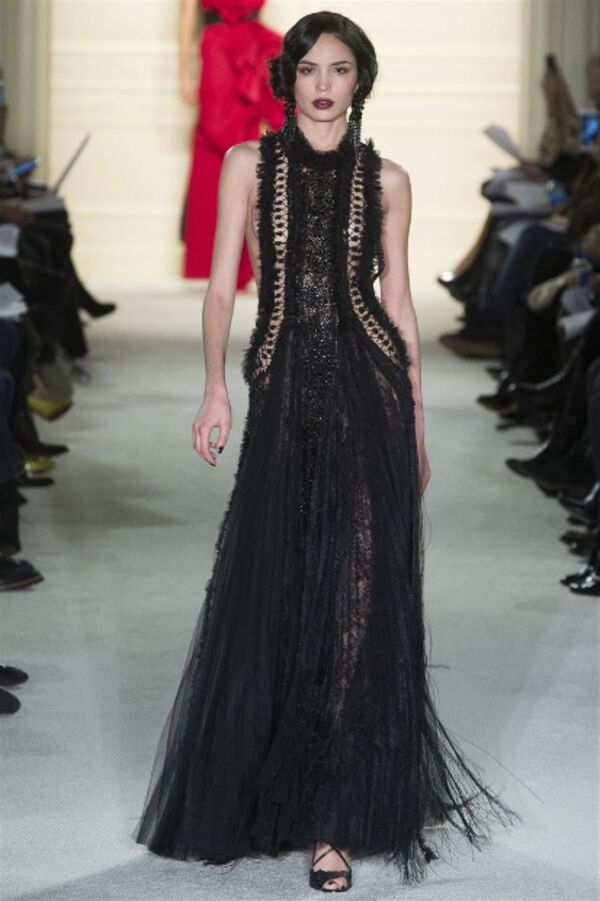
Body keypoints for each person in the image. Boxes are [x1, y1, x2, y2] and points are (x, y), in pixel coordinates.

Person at [134, 11, 519, 892]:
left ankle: (334, 812)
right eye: (308, 68)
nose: (322, 84)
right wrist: (214, 388)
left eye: (339, 69)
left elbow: (401, 306)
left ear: (360, 80)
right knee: (277, 587)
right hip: (279, 395)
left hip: (367, 391)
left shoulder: (388, 180)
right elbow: (222, 291)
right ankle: (272, 782)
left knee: (352, 596)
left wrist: (415, 424)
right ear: (288, 78)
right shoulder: (246, 166)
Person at [179, 0, 284, 289]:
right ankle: (215, 259)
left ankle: (247, 261)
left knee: (252, 148)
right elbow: (187, 14)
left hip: (253, 46)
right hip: (218, 47)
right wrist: (185, 73)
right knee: (217, 140)